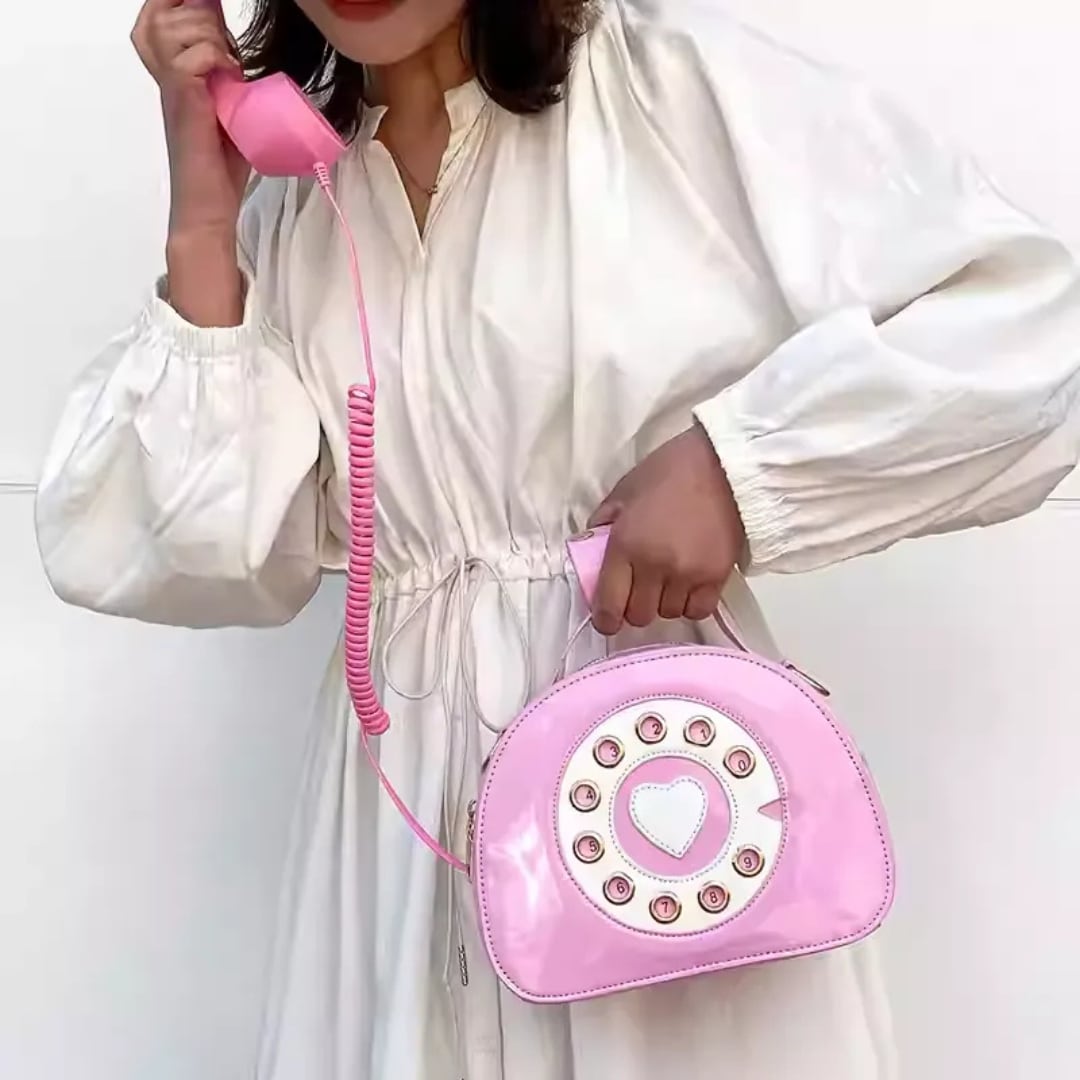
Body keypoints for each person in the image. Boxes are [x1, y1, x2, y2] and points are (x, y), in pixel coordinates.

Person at [34, 0, 1080, 1077]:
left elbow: (1022, 318)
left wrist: (739, 469)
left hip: (658, 780)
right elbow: (200, 549)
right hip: (402, 833)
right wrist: (203, 228)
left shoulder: (667, 89)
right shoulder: (300, 204)